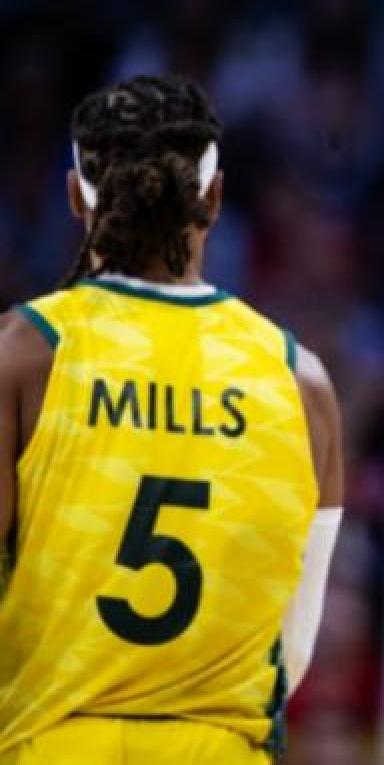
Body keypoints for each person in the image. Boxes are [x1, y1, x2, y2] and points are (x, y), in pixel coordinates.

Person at [0, 74, 343, 765]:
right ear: (214, 197)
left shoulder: (26, 353)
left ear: (76, 195)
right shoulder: (299, 379)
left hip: (56, 742)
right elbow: (294, 645)